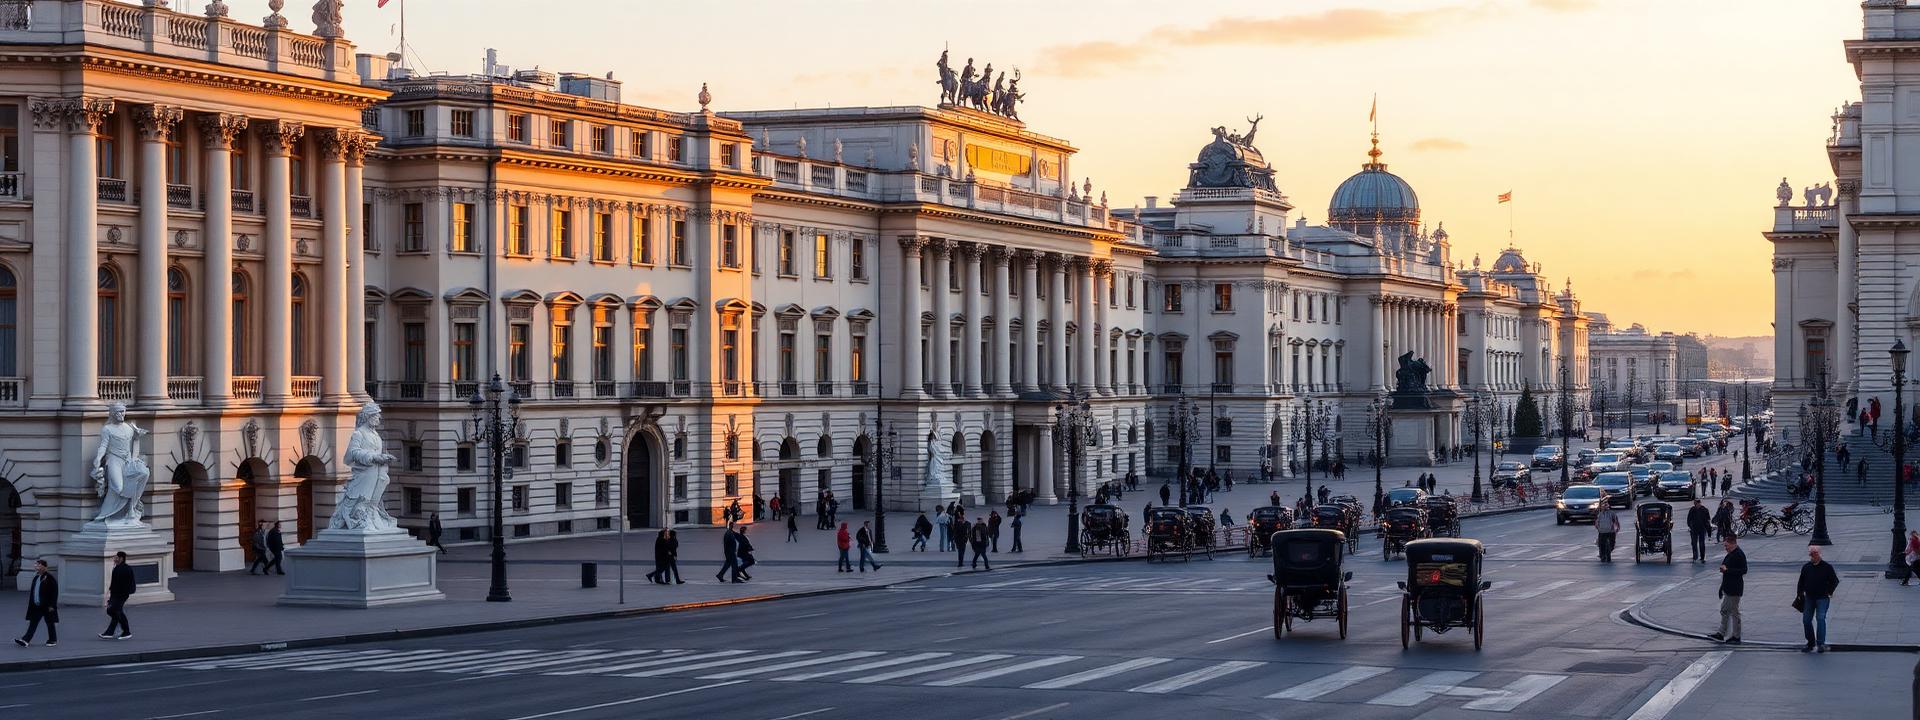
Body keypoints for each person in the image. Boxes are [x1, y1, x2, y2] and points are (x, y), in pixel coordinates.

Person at [1797, 545, 1839, 653]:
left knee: (1820, 619)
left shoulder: (1827, 567)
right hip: (1809, 597)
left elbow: (1835, 580)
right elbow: (1801, 581)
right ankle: (1810, 642)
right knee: (1806, 620)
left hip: (1822, 598)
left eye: (1815, 554)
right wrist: (1799, 593)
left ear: (1819, 555)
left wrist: (1829, 592)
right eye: (1811, 554)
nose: (1813, 556)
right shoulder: (1806, 567)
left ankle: (1820, 643)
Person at [1709, 536, 1745, 645]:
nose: (1725, 547)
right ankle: (1722, 633)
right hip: (1729, 587)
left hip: (1734, 589)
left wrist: (1727, 570)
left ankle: (1735, 635)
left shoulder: (1739, 554)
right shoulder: (1731, 554)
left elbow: (1744, 570)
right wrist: (1722, 587)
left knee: (1733, 612)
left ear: (1733, 543)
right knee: (1725, 610)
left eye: (1726, 545)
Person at [16, 559, 58, 647]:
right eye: (36, 565)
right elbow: (34, 591)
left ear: (44, 567)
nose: (36, 567)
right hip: (37, 605)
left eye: (38, 565)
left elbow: (54, 592)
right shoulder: (36, 577)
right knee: (33, 623)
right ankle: (25, 640)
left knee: (50, 622)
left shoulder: (49, 577)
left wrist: (52, 605)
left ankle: (53, 640)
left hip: (47, 605)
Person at [100, 551, 133, 641]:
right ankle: (113, 632)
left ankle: (124, 631)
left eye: (116, 557)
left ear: (121, 558)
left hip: (121, 594)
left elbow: (124, 584)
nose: (114, 559)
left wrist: (115, 595)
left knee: (115, 611)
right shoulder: (118, 568)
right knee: (114, 611)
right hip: (117, 594)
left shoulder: (124, 569)